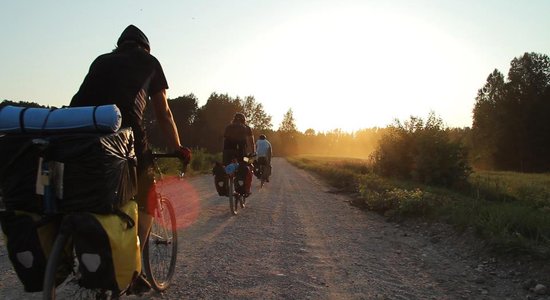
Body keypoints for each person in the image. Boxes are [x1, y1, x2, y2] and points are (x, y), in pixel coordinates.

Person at [69, 24, 191, 294]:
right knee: (148, 198)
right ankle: (133, 270)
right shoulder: (149, 62)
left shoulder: (101, 60)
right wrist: (179, 147)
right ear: (145, 47)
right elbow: (164, 113)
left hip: (81, 135)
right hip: (126, 138)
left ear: (119, 45)